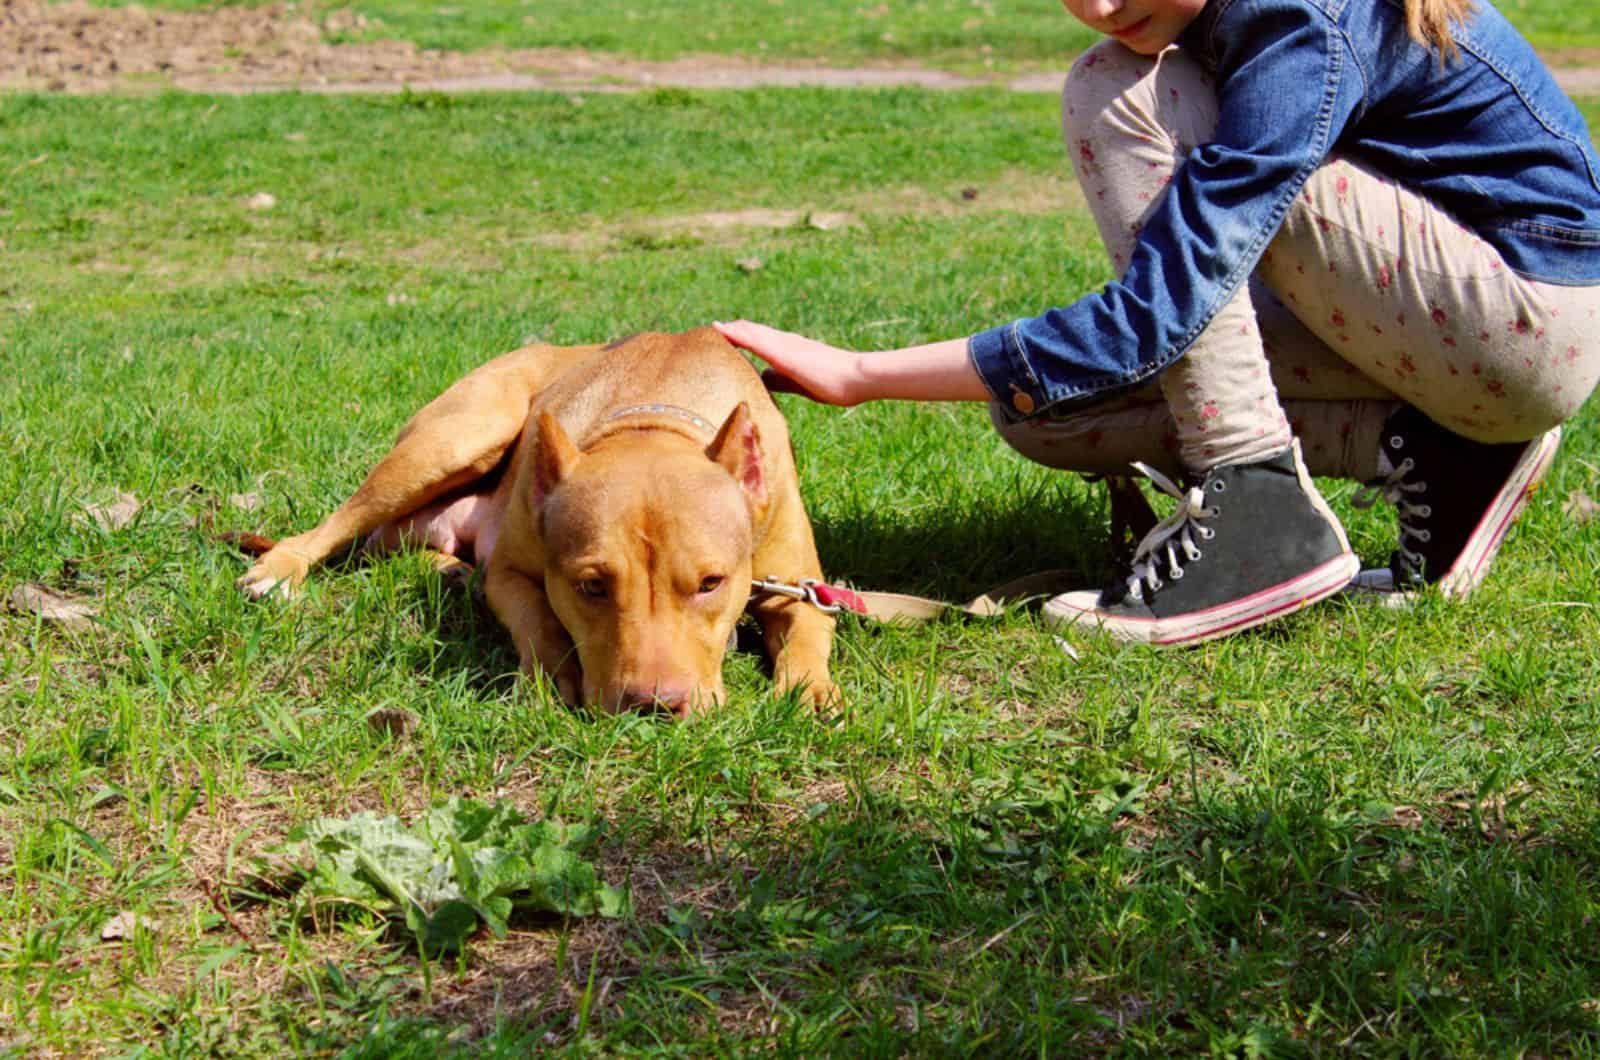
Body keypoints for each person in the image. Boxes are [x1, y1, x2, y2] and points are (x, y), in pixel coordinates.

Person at [715, 0, 1600, 647]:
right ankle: (1450, 453)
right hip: (1456, 339)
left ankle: (1260, 511)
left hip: (1525, 319)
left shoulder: (1299, 21)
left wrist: (862, 375)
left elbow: (1157, 316)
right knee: (1051, 410)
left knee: (1117, 90)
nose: (1097, 6)